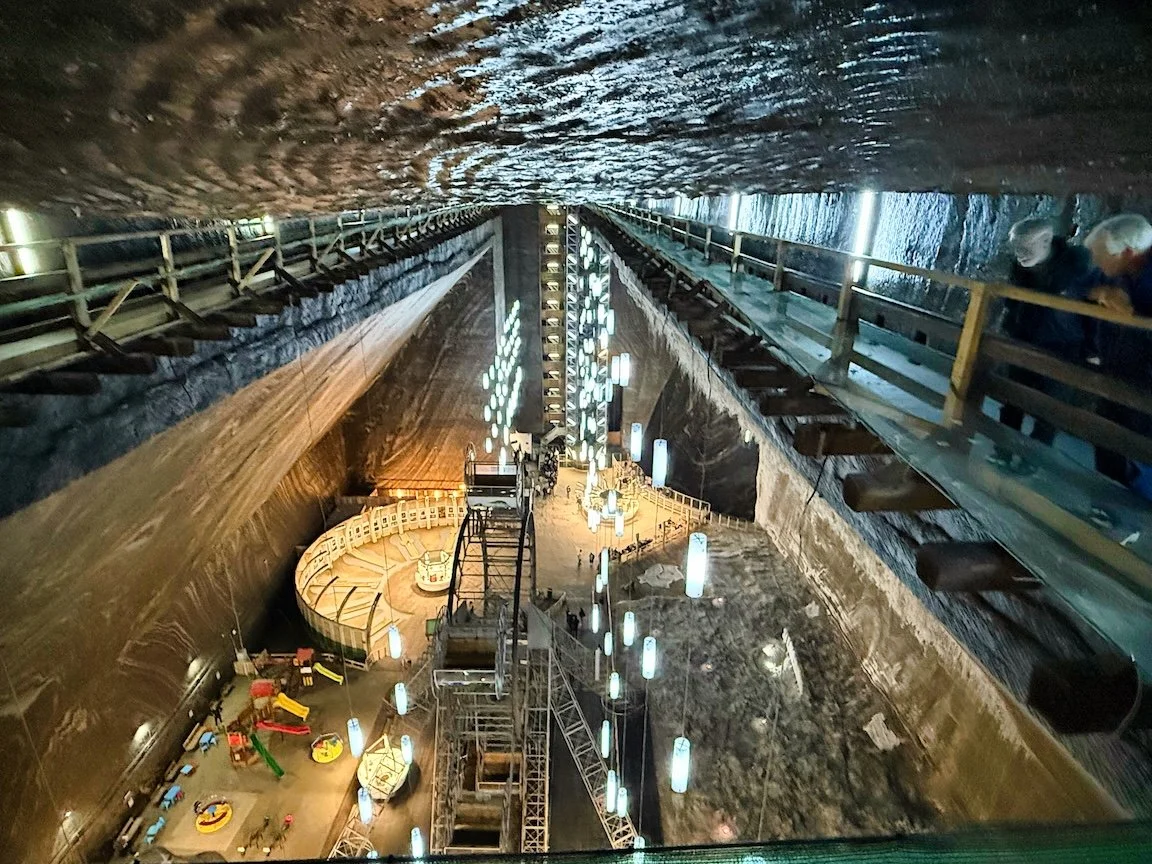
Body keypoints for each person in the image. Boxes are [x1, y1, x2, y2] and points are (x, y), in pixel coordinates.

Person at [989, 218, 1096, 472]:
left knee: (1050, 408)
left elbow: (1094, 309)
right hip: (1024, 340)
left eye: (1026, 246)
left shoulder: (1078, 267)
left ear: (1047, 241)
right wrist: (1008, 330)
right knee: (1012, 398)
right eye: (1017, 247)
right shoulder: (1020, 267)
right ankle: (1002, 451)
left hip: (1064, 346)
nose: (1020, 254)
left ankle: (1032, 460)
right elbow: (1013, 303)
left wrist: (1093, 349)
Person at [1077, 214, 1152, 520]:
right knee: (1107, 436)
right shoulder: (1116, 272)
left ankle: (1137, 525)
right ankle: (1105, 512)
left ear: (1128, 253)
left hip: (1145, 382)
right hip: (1117, 371)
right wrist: (1103, 293)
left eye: (1100, 256)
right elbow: (1079, 285)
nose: (1096, 262)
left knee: (1140, 448)